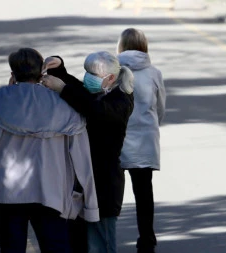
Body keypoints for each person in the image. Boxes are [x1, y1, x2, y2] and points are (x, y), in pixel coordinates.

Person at [0, 48, 99, 253]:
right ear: (42, 72)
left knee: (12, 248)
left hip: (7, 194)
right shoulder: (65, 107)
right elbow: (82, 158)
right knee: (56, 247)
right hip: (52, 193)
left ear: (12, 74)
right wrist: (90, 204)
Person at [42, 51, 134, 253]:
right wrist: (59, 68)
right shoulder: (102, 90)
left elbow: (92, 107)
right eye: (87, 72)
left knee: (102, 243)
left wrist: (63, 89)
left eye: (93, 74)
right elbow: (81, 92)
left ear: (110, 78)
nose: (87, 78)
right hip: (83, 182)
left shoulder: (121, 101)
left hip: (104, 185)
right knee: (79, 242)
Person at [117, 28, 166, 253]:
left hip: (115, 139)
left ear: (121, 46)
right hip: (144, 139)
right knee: (143, 191)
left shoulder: (111, 71)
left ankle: (103, 236)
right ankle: (147, 237)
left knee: (110, 190)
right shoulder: (154, 73)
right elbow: (161, 108)